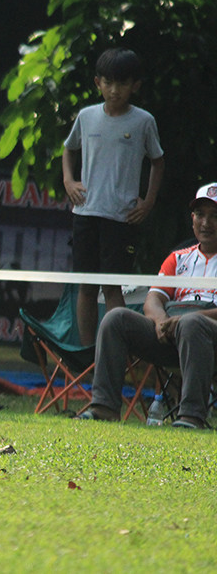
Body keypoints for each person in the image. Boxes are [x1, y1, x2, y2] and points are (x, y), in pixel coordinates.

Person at [77, 184, 217, 429]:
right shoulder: (178, 258)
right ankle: (104, 407)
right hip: (170, 334)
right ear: (192, 219)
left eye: (215, 216)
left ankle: (192, 416)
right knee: (116, 318)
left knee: (192, 323)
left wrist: (188, 319)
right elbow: (153, 299)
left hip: (208, 339)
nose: (206, 223)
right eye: (201, 215)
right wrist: (162, 321)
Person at [63, 47, 164, 347]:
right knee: (85, 286)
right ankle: (87, 356)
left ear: (135, 86)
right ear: (98, 83)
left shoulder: (143, 121)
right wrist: (69, 181)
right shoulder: (86, 116)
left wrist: (148, 201)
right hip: (85, 213)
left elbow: (158, 161)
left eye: (122, 83)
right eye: (108, 82)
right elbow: (69, 148)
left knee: (111, 286)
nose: (114, 90)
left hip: (121, 217)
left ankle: (115, 355)